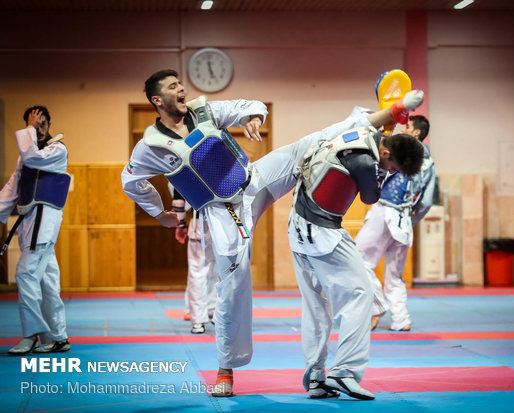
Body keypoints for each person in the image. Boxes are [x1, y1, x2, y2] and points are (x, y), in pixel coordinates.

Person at [121, 68, 424, 397]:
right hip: (222, 213)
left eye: (180, 84)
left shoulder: (204, 110)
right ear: (157, 100)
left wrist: (253, 116)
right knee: (233, 288)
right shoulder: (150, 146)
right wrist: (160, 213)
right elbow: (130, 181)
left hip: (252, 181)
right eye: (172, 87)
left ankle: (392, 112)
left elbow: (252, 105)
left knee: (312, 142)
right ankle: (225, 371)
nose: (181, 89)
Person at [287, 101, 426, 399]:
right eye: (394, 168)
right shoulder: (366, 163)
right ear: (387, 153)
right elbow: (369, 197)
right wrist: (383, 173)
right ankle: (345, 371)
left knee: (315, 304)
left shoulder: (363, 132)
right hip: (322, 231)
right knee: (361, 295)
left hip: (298, 226)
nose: (392, 172)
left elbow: (370, 125)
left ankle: (315, 376)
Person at [0, 106, 71, 355]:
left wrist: (29, 130)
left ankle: (31, 335)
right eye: (33, 124)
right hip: (30, 223)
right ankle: (58, 337)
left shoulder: (57, 150)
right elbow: (12, 188)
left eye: (42, 124)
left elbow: (33, 158)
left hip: (45, 223)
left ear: (49, 125)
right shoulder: (25, 157)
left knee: (25, 274)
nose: (39, 129)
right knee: (47, 281)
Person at [355, 115, 435, 332]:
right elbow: (427, 201)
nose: (405, 128)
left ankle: (377, 305)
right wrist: (412, 219)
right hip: (404, 221)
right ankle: (401, 320)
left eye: (408, 126)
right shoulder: (429, 163)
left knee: (356, 260)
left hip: (385, 210)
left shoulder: (401, 152)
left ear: (416, 133)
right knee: (395, 275)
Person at [170, 187, 217, 334]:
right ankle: (221, 314)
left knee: (197, 272)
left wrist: (181, 224)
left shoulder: (188, 165)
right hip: (225, 222)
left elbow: (179, 196)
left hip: (200, 223)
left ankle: (198, 321)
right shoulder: (228, 165)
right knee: (226, 272)